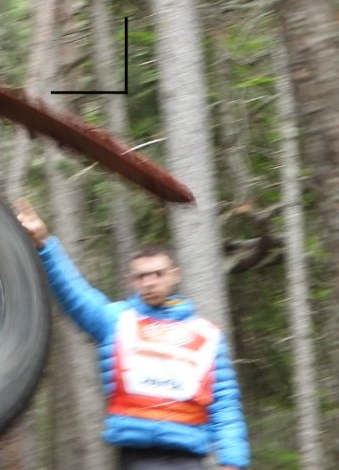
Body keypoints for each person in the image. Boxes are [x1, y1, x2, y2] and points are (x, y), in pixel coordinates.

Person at [15, 201, 250, 470]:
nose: (149, 282)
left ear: (174, 275)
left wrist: (233, 462)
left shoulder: (206, 334)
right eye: (141, 276)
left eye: (158, 274)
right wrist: (43, 242)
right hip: (135, 457)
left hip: (188, 457)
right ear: (131, 280)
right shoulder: (117, 321)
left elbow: (225, 404)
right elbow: (75, 293)